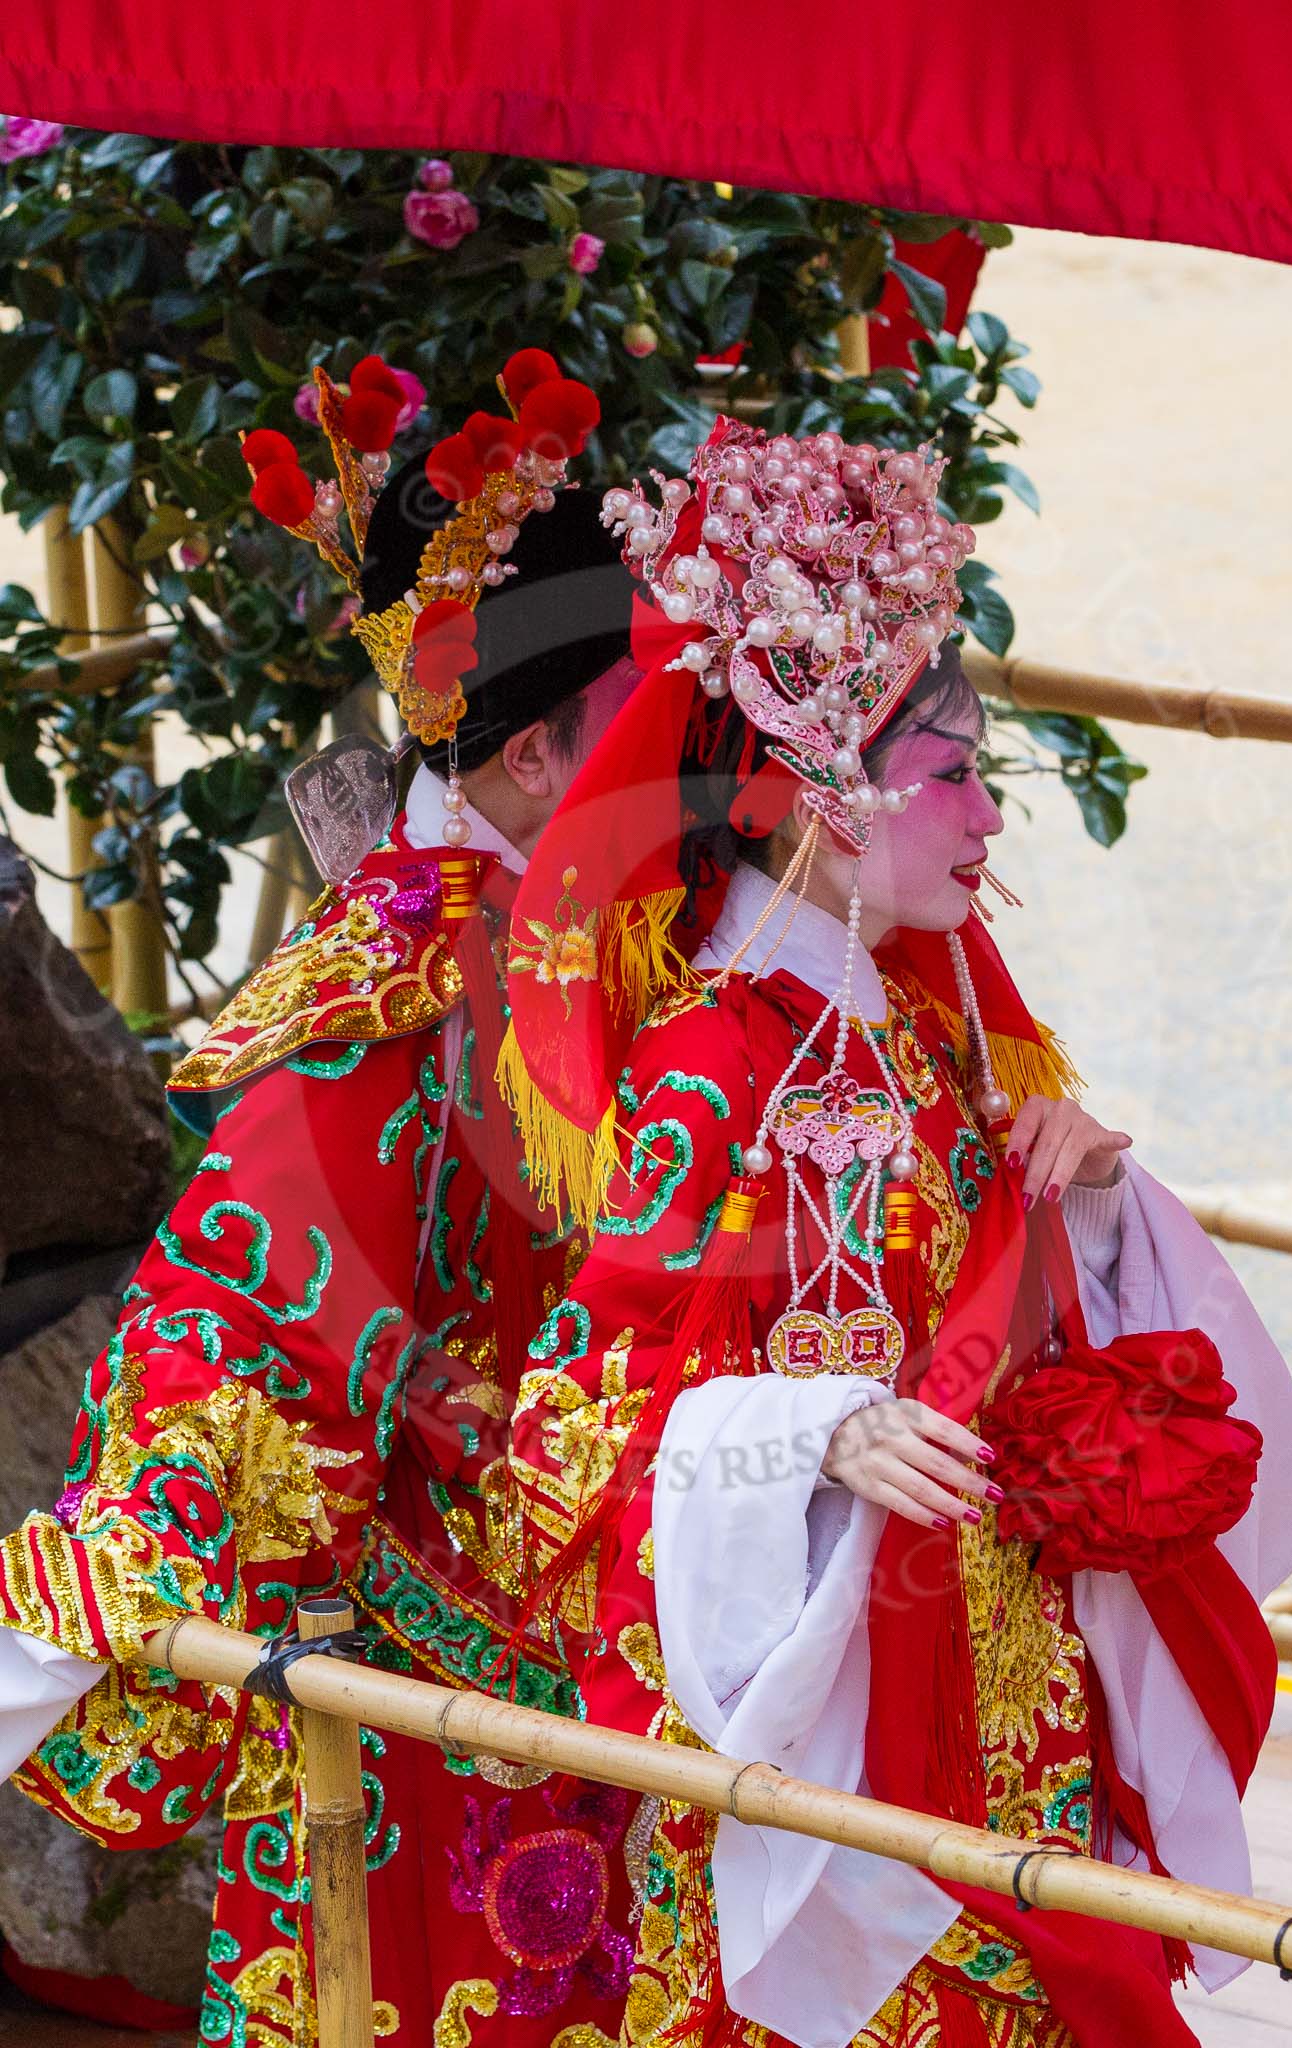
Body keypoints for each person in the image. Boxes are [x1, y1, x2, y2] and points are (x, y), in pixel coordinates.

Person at [487, 415, 1292, 2047]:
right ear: (810, 793)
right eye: (951, 777)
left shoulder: (924, 1025)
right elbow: (570, 1430)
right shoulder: (712, 1061)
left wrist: (1083, 1198)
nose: (987, 822)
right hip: (831, 1677)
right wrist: (814, 1427)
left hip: (1000, 1650)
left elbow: (983, 1298)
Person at [0, 349, 642, 2044]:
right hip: (442, 1676)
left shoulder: (580, 936)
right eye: (641, 734)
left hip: (615, 1607)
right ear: (525, 764)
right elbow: (238, 1328)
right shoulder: (390, 1008)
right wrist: (87, 1608)